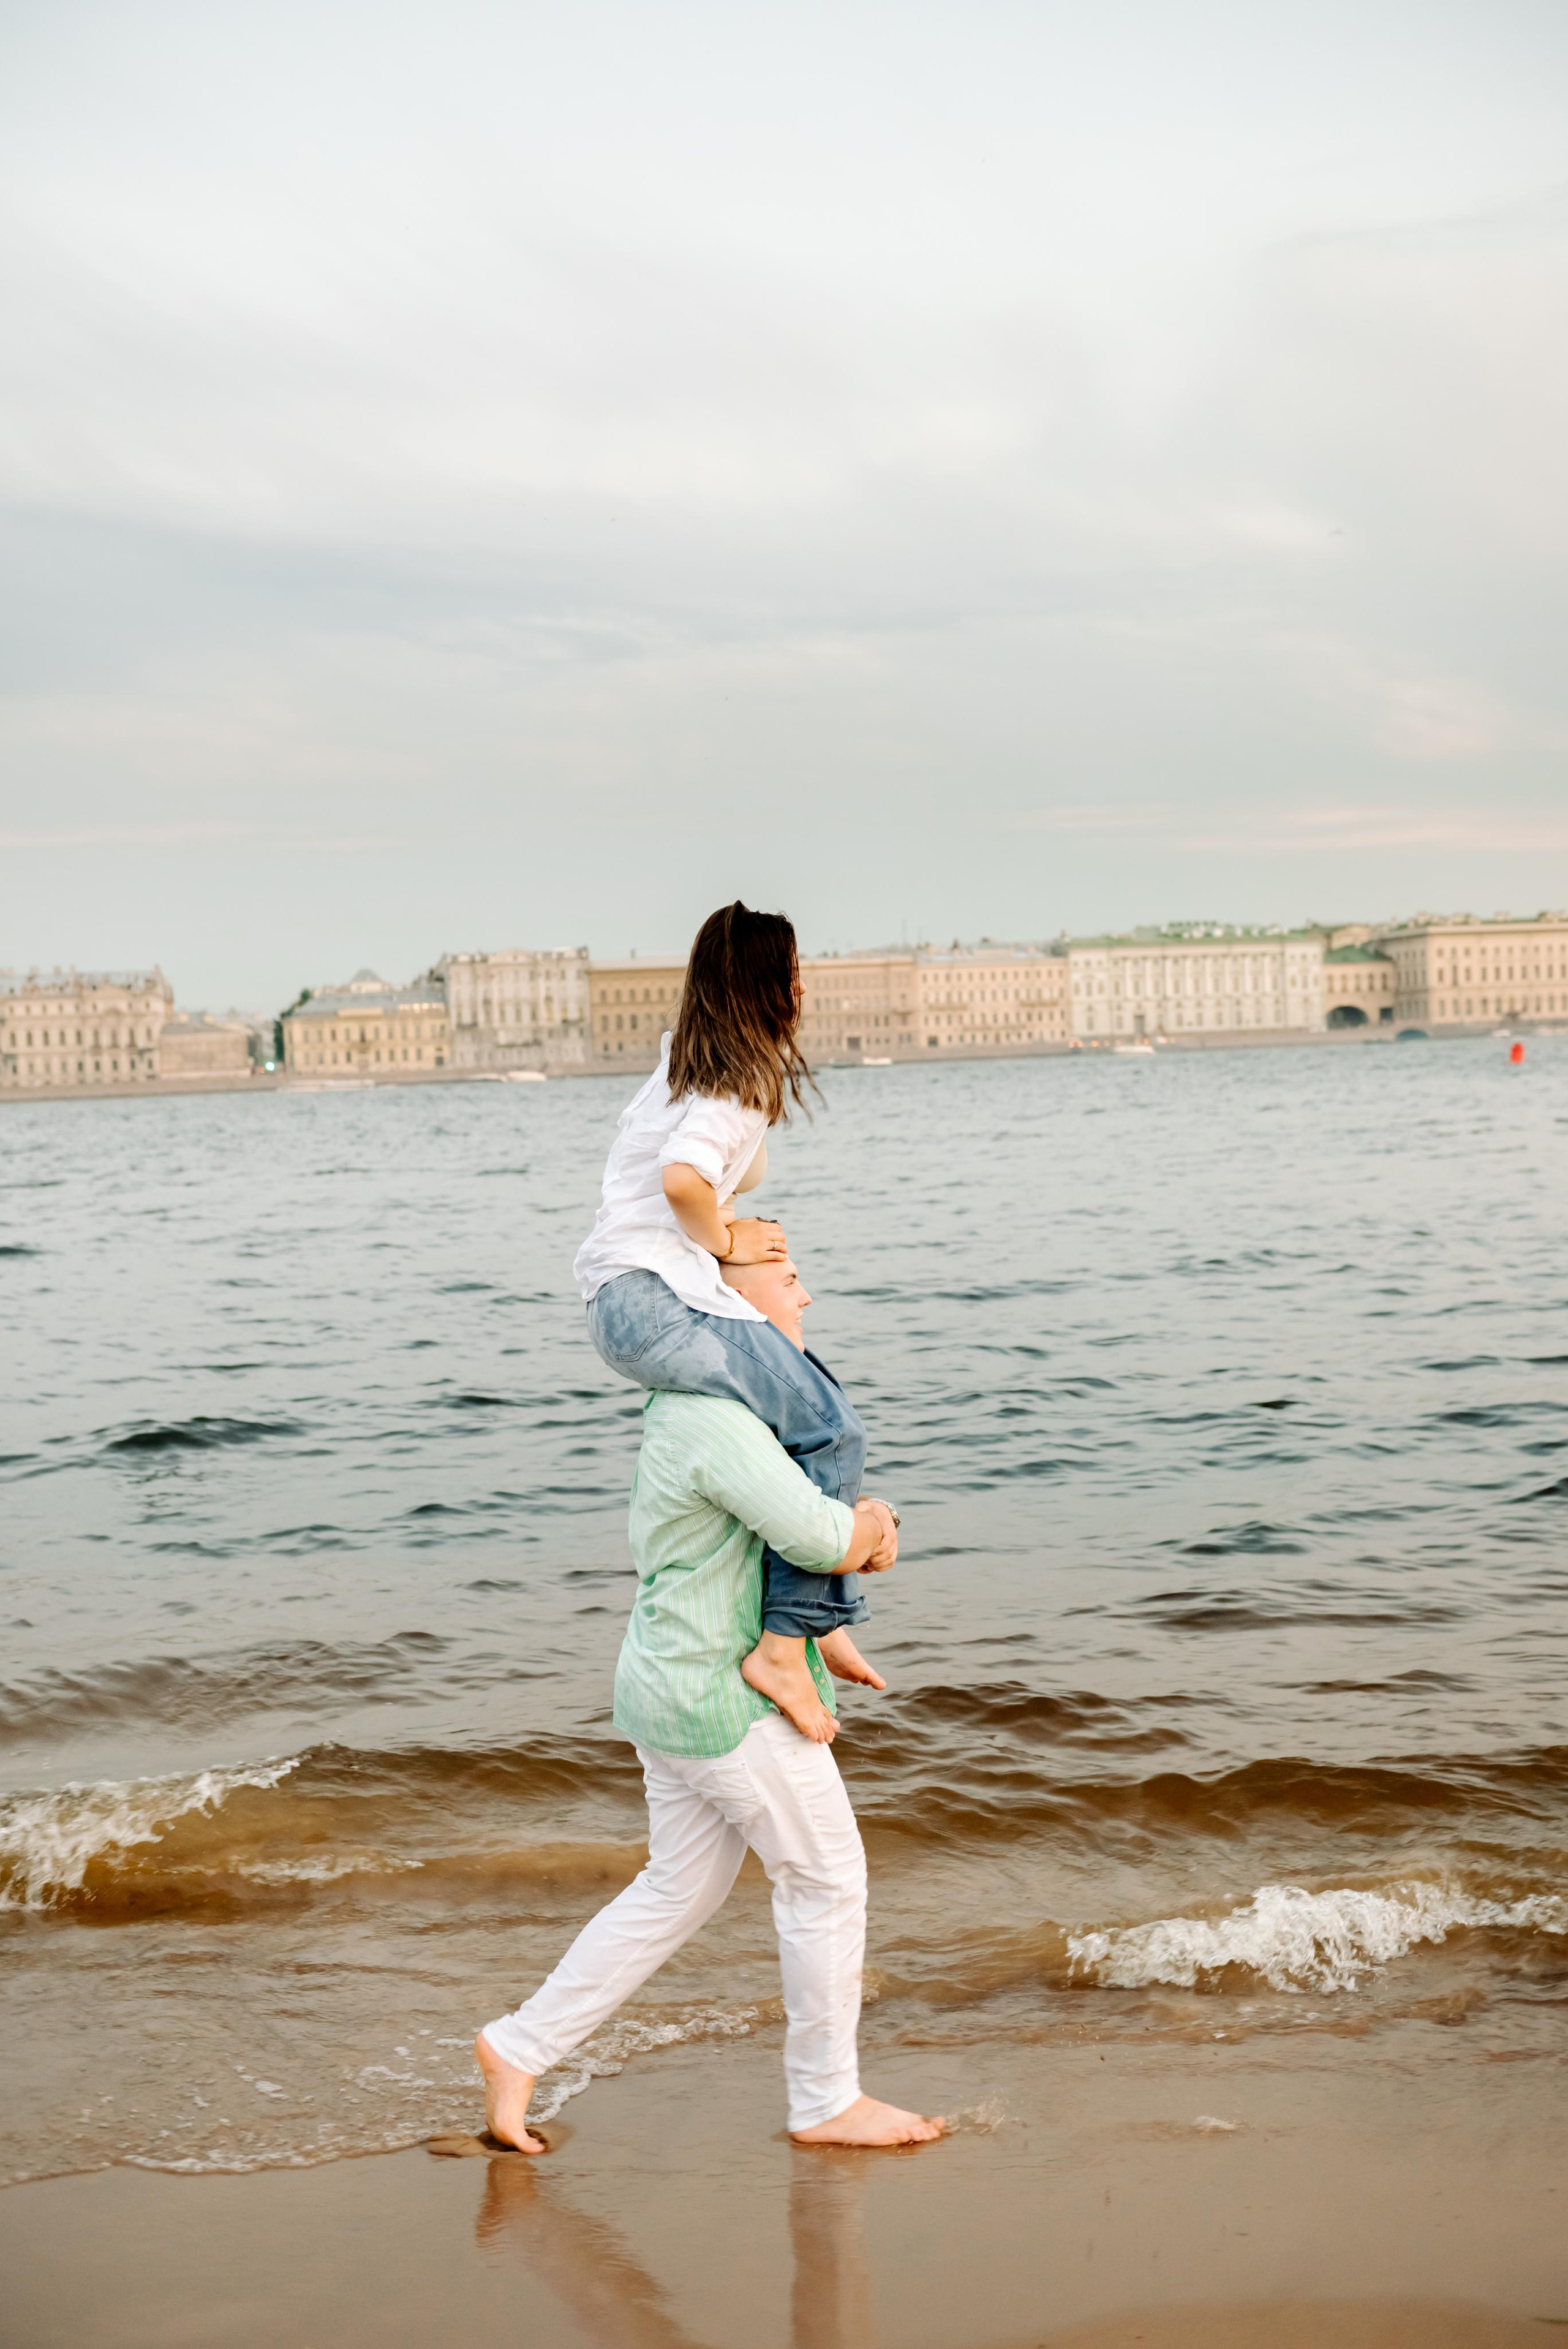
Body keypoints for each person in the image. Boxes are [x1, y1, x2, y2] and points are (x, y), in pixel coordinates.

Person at [475, 1244, 943, 2151]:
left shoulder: (712, 1408)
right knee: (826, 1881)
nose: (805, 1287)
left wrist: (845, 1579)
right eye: (784, 1269)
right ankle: (825, 2099)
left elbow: (785, 1541)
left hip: (668, 1684)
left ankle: (518, 2047)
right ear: (723, 1302)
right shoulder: (714, 1418)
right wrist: (881, 1525)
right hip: (725, 1698)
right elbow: (819, 1534)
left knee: (678, 1888)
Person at [574, 900, 881, 1745]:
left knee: (789, 1425)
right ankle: (787, 1646)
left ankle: (815, 1617)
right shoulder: (737, 1085)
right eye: (792, 973)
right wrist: (729, 1235)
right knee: (832, 1423)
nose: (804, 986)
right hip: (652, 1300)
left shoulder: (685, 1062)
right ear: (763, 989)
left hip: (619, 1299)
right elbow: (682, 1181)